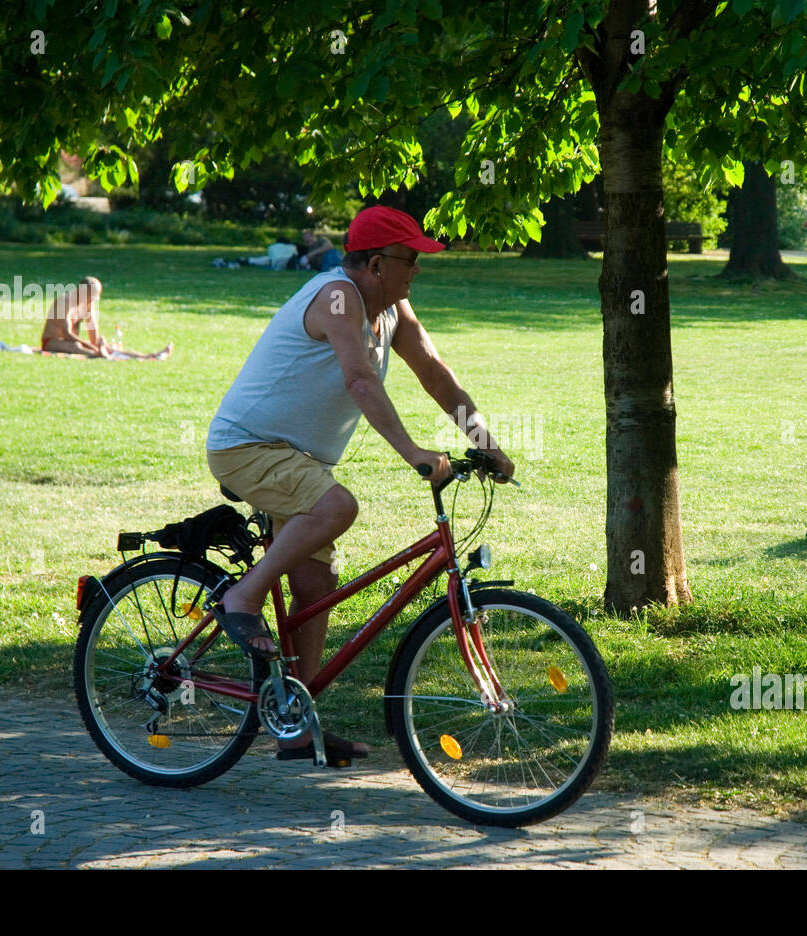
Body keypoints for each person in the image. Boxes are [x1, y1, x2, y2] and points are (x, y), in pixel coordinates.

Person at [205, 205, 514, 765]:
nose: (416, 269)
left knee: (317, 587)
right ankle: (241, 598)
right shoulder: (338, 298)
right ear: (376, 264)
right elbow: (360, 379)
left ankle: (296, 722)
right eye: (410, 259)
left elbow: (435, 373)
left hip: (294, 458)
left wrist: (485, 440)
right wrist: (415, 453)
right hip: (247, 448)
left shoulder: (392, 307)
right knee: (337, 506)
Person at [40, 276, 172, 359]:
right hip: (52, 342)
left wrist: (99, 344)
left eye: (95, 297)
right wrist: (92, 347)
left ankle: (150, 356)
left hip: (71, 342)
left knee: (107, 347)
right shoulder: (66, 301)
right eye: (91, 296)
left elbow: (93, 332)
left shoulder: (87, 304)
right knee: (77, 346)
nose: (93, 300)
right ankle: (99, 355)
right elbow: (67, 334)